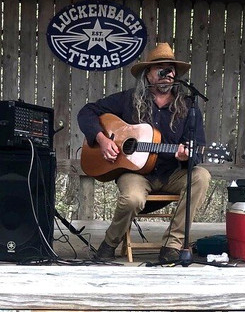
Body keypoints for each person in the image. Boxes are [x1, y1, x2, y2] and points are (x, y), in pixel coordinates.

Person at [77, 42, 211, 264]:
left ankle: (172, 244)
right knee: (132, 198)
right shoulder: (128, 100)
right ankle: (109, 244)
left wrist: (187, 156)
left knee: (201, 176)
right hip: (136, 174)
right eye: (160, 67)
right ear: (148, 75)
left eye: (171, 68)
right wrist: (101, 139)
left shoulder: (189, 107)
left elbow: (197, 148)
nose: (167, 73)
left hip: (171, 173)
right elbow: (87, 111)